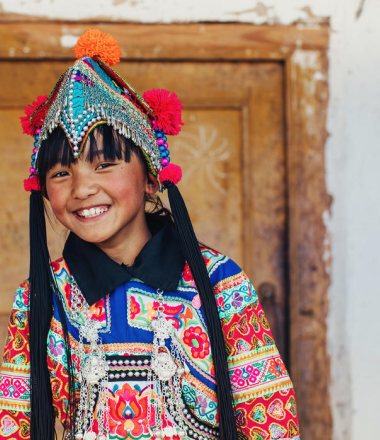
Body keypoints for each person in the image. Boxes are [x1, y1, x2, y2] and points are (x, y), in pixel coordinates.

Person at [0, 29, 300, 440]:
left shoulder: (219, 283)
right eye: (61, 173)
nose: (82, 188)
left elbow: (271, 420)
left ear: (150, 178)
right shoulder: (43, 297)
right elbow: (12, 423)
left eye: (103, 164)